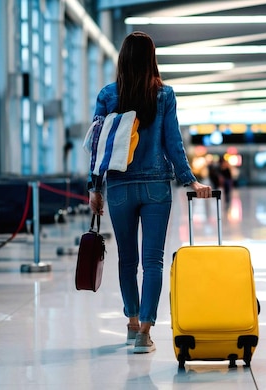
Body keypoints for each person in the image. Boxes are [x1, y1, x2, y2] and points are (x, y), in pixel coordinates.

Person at [87, 31, 212, 354]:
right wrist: (190, 181)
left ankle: (130, 322)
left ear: (122, 59)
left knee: (127, 260)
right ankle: (145, 331)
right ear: (151, 58)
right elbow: (173, 143)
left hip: (118, 187)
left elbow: (99, 148)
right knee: (152, 261)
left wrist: (94, 188)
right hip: (157, 185)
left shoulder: (107, 95)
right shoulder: (164, 95)